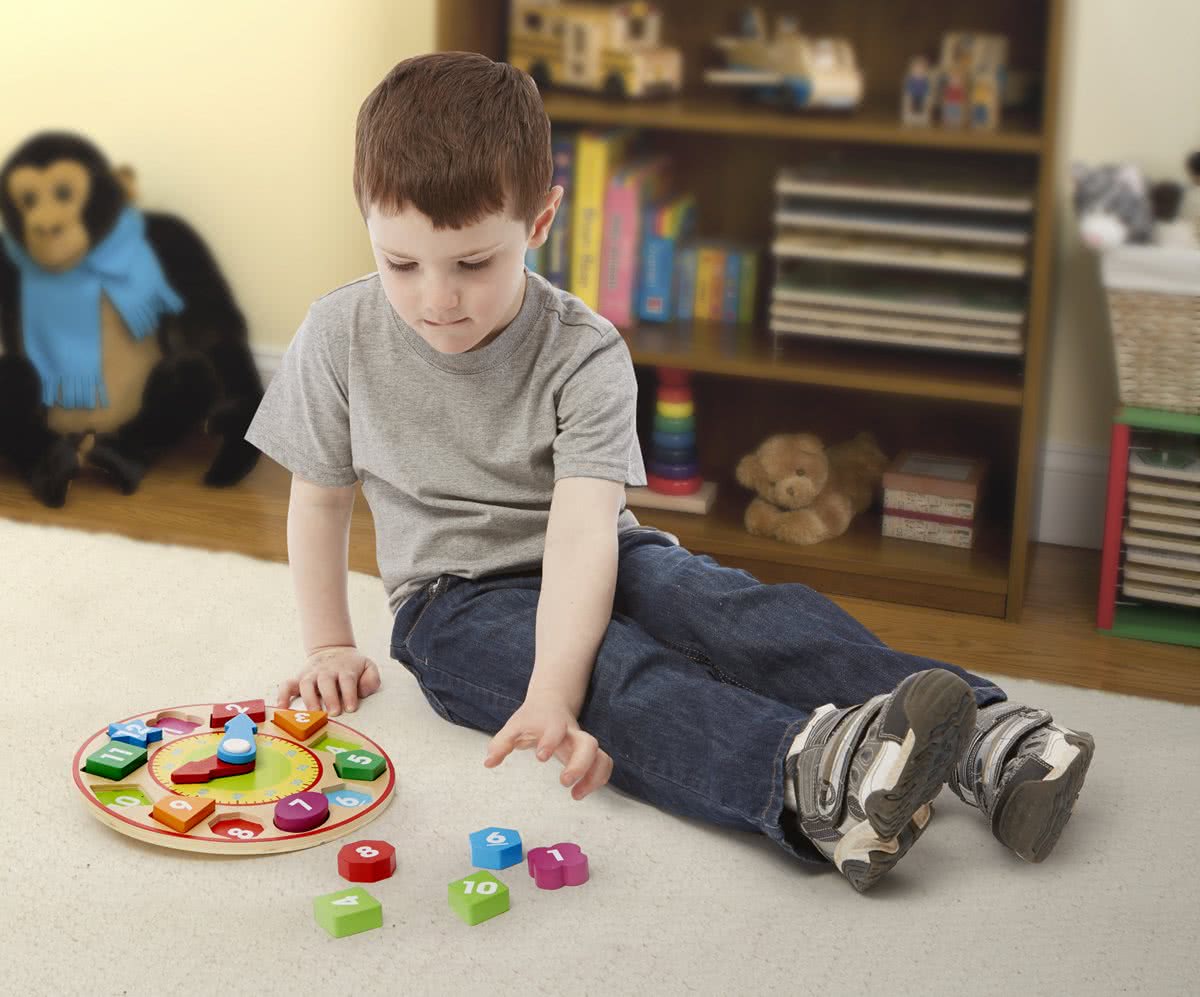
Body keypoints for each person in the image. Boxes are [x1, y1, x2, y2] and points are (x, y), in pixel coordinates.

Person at [245, 52, 1094, 894]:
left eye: (473, 263)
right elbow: (320, 500)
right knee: (618, 675)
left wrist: (553, 680)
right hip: (452, 599)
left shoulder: (584, 351)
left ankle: (992, 735)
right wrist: (331, 643)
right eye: (402, 264)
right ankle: (816, 781)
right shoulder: (338, 333)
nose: (438, 298)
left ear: (541, 222)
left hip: (599, 550)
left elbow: (582, 533)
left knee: (728, 611)